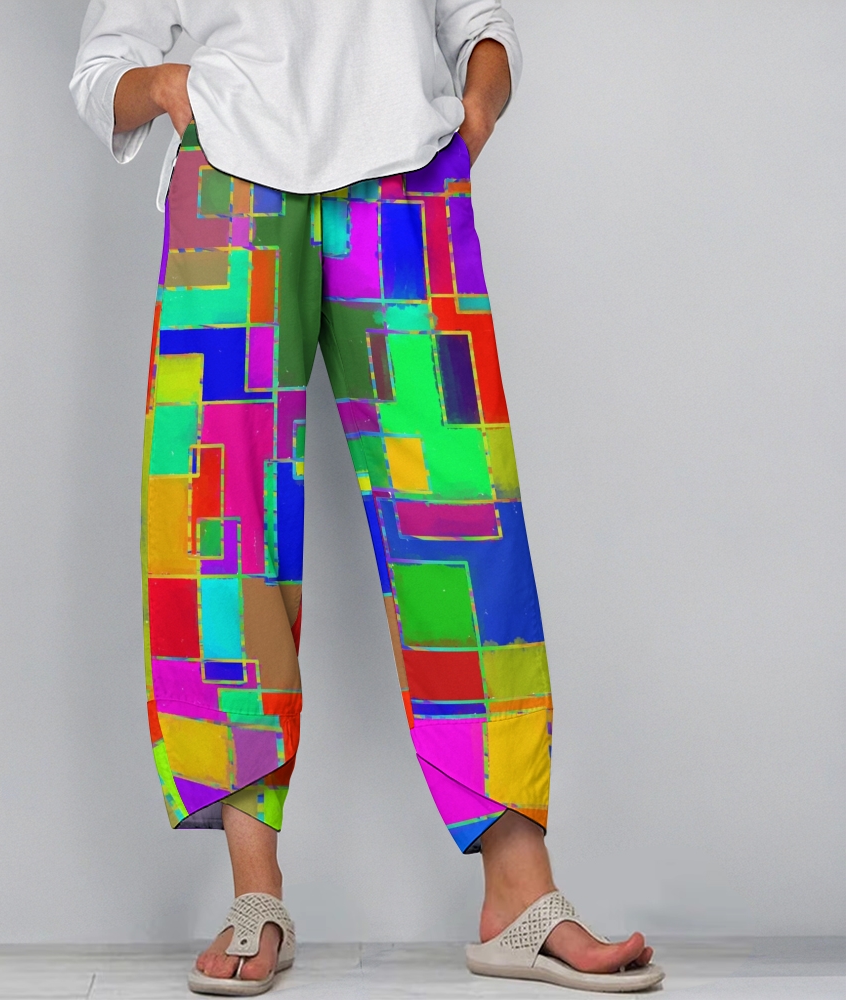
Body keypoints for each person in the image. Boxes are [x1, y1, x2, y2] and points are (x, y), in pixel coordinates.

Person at [71, 2, 664, 994]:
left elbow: (479, 20)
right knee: (221, 535)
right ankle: (254, 894)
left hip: (406, 187)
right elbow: (103, 69)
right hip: (230, 191)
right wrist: (173, 88)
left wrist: (474, 113)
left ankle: (518, 892)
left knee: (460, 524)